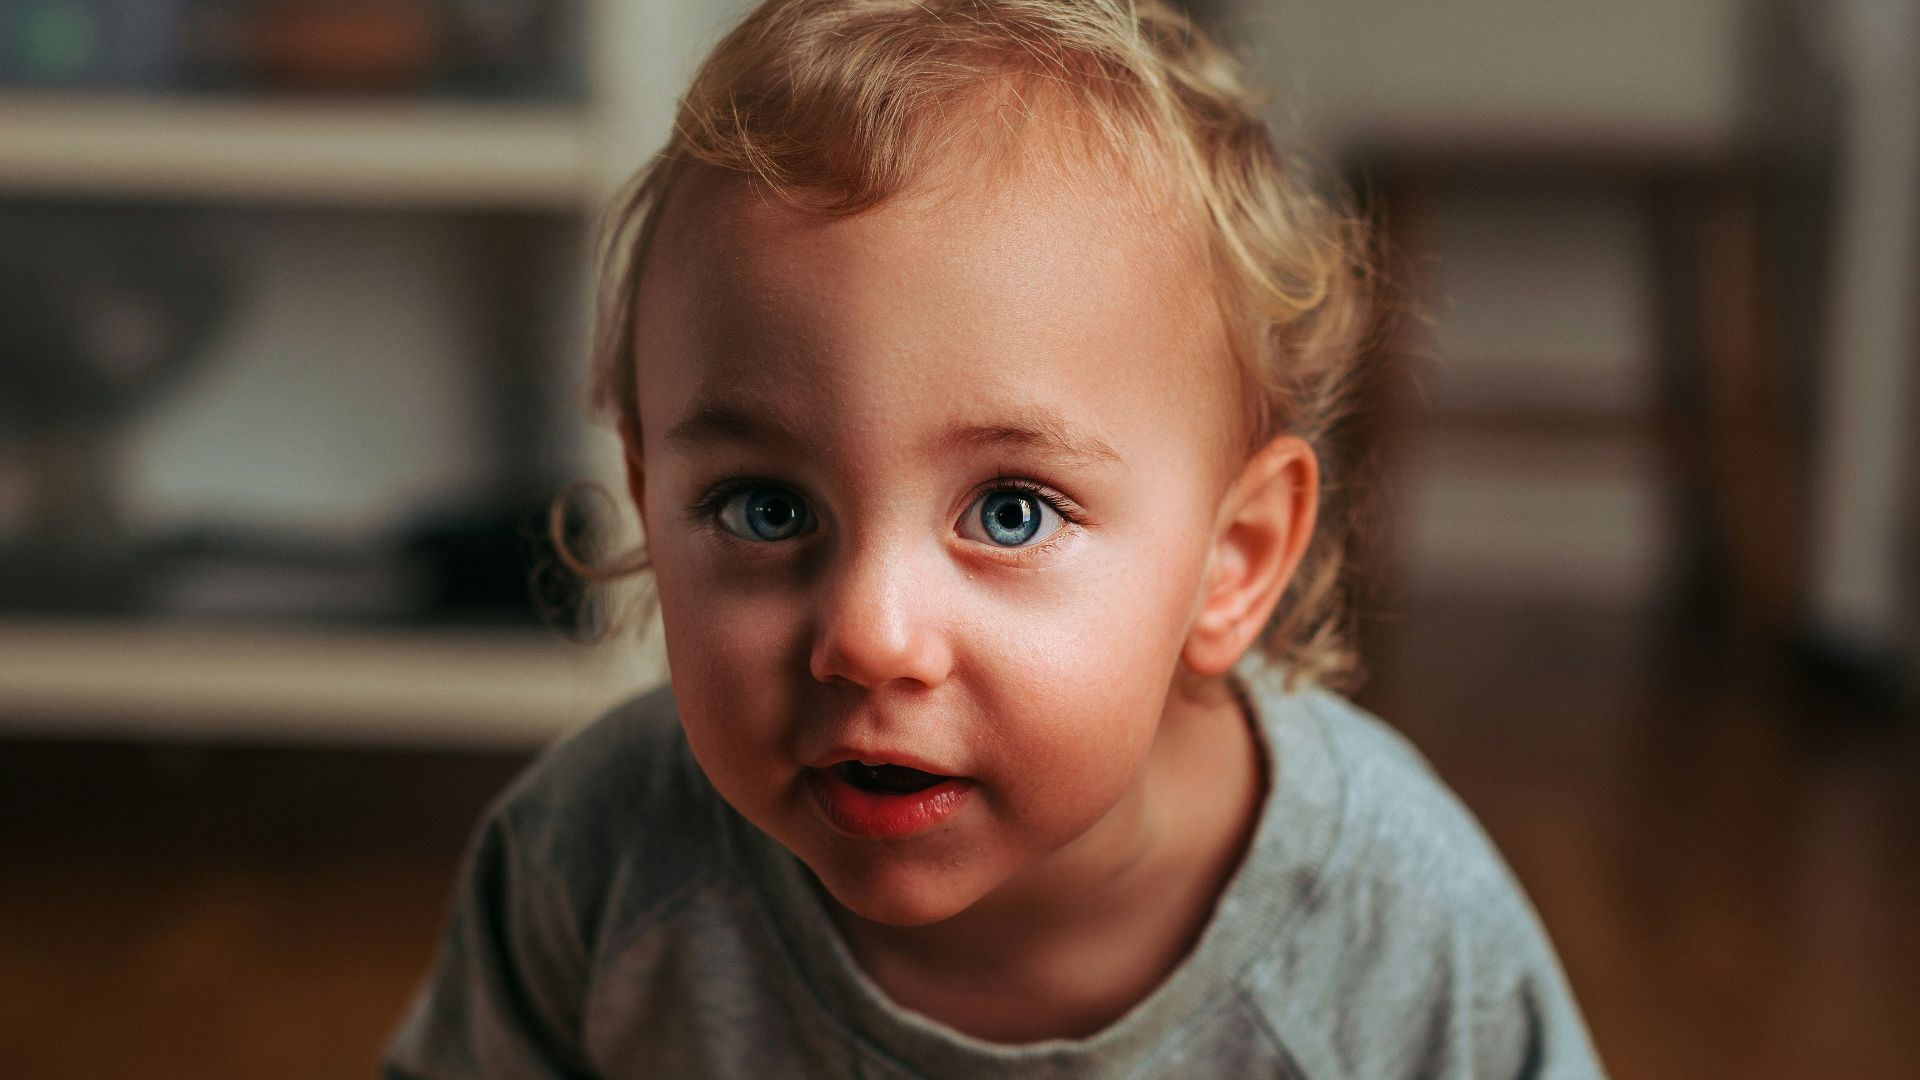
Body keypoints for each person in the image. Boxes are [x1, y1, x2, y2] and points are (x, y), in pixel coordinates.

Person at [385, 1, 1606, 1076]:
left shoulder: (1398, 931)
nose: (869, 636)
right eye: (768, 508)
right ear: (652, 502)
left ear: (1230, 562)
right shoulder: (595, 866)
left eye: (1010, 512)